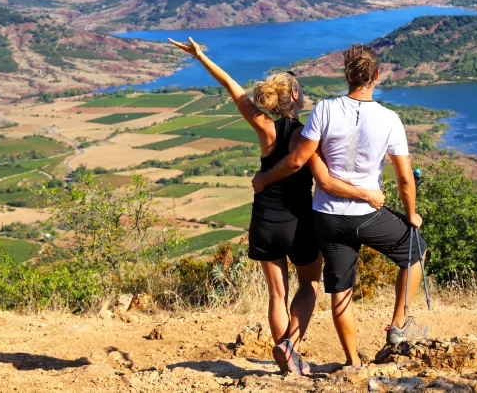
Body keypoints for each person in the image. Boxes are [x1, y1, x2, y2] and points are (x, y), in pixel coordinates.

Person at [168, 37, 385, 376]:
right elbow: (327, 171)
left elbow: (231, 86)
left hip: (263, 220)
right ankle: (289, 347)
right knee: (310, 284)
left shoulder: (264, 126)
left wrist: (201, 57)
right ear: (295, 97)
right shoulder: (309, 135)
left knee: (276, 294)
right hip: (297, 221)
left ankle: (286, 365)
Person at [252, 43, 430, 368]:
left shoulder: (324, 109)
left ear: (346, 75)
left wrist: (263, 180)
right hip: (368, 214)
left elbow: (299, 159)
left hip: (328, 216)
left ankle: (352, 361)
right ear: (376, 76)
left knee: (339, 290)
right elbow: (405, 179)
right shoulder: (390, 119)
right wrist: (411, 214)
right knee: (415, 252)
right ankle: (399, 325)